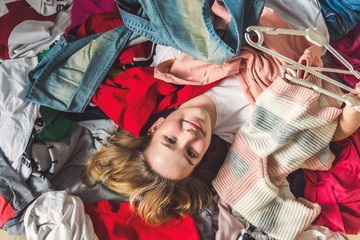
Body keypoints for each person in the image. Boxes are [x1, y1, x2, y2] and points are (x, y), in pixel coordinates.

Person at [82, 43, 360, 225]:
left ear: (155, 127)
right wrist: (354, 109)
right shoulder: (248, 133)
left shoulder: (172, 66)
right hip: (324, 28)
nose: (189, 136)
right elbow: (327, 131)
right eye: (191, 154)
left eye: (170, 140)